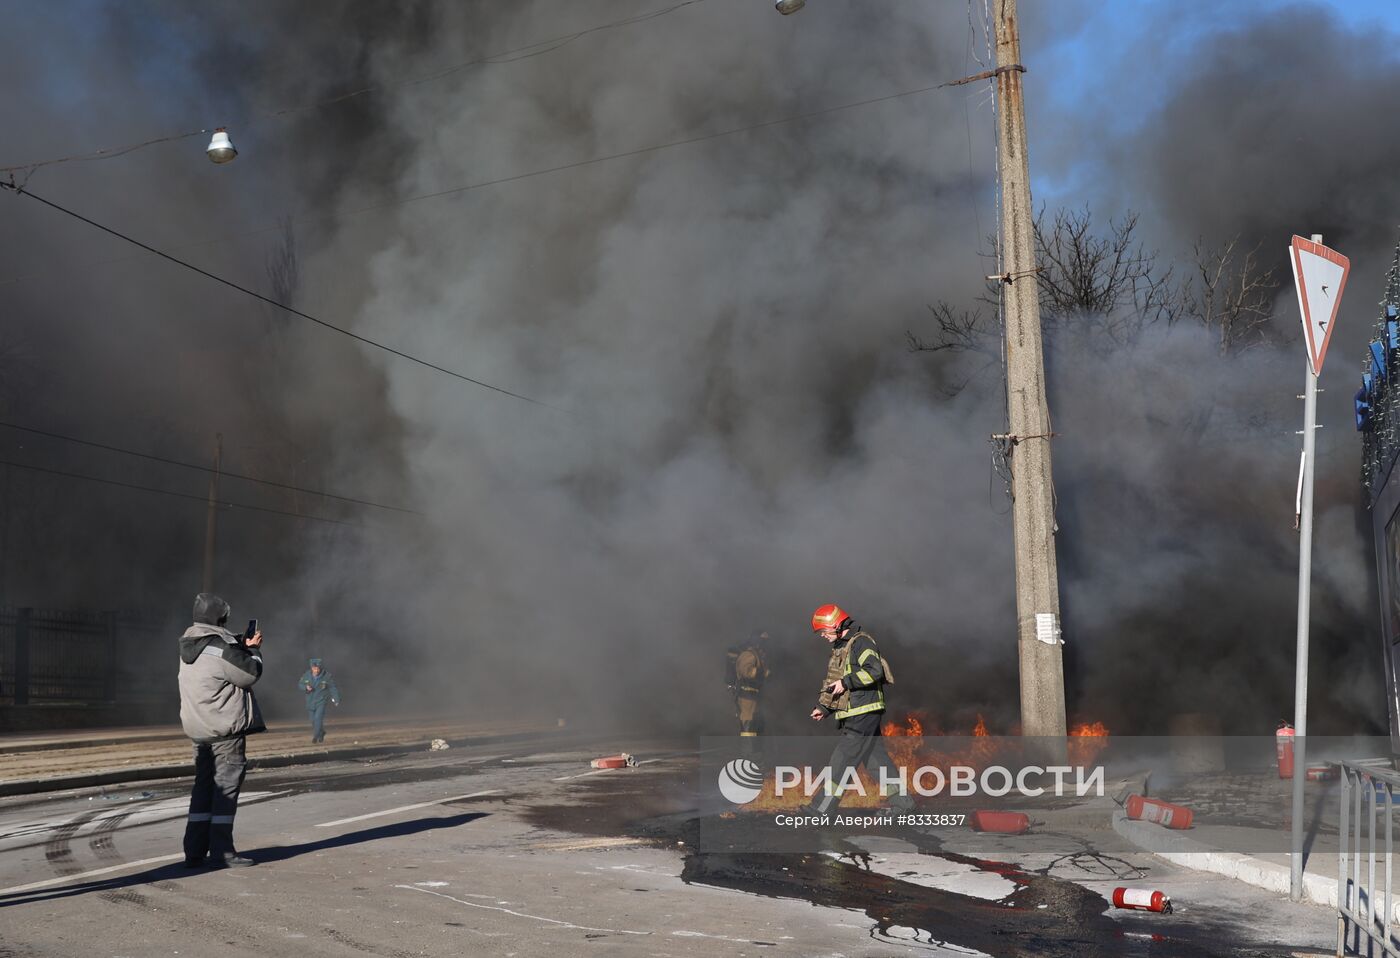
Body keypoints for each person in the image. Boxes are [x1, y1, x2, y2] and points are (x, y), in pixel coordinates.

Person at [178, 593, 265, 868]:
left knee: (203, 790)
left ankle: (194, 851)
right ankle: (222, 852)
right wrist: (253, 650)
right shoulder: (222, 649)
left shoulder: (189, 645)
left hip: (199, 731)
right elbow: (250, 672)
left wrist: (237, 642)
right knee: (225, 791)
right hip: (224, 731)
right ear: (220, 618)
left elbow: (217, 656)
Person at [807, 603, 912, 814]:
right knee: (876, 762)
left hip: (863, 711)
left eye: (823, 631)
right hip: (858, 712)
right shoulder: (840, 648)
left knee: (842, 759)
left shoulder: (861, 643)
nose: (822, 636)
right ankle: (904, 805)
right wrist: (824, 708)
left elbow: (874, 671)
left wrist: (847, 682)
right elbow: (834, 682)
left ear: (836, 625)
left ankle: (820, 810)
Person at [726, 632, 770, 741]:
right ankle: (747, 753)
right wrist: (761, 672)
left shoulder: (757, 655)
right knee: (748, 724)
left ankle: (754, 752)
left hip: (754, 695)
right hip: (746, 695)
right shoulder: (749, 654)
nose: (765, 644)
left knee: (755, 723)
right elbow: (746, 671)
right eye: (763, 641)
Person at [298, 657, 340, 744]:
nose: (316, 670)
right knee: (312, 720)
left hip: (321, 701)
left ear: (320, 668)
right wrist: (306, 687)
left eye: (317, 668)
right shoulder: (306, 675)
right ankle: (321, 733)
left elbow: (333, 688)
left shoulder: (327, 676)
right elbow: (300, 684)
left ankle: (315, 736)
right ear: (311, 668)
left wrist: (336, 699)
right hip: (310, 702)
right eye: (314, 668)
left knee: (318, 719)